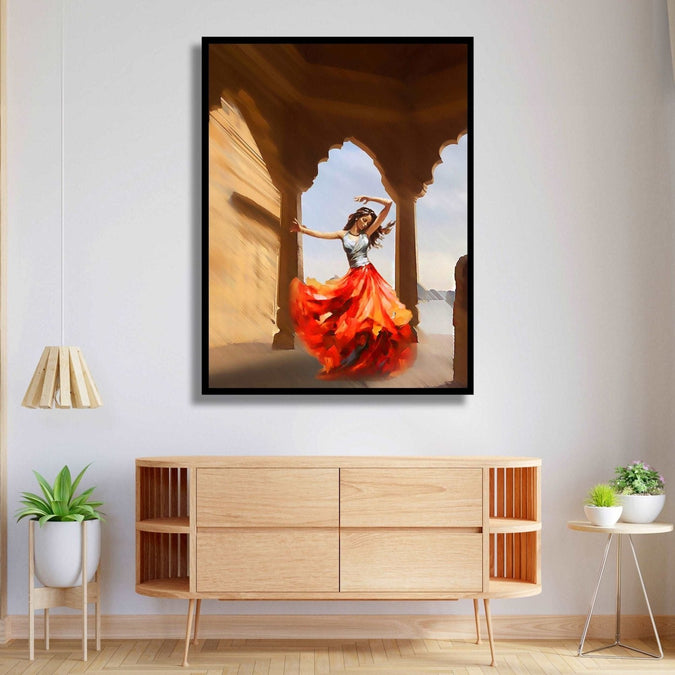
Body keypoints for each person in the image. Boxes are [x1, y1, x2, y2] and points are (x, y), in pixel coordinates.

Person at [290, 195, 416, 380]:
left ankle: (371, 355)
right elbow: (322, 235)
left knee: (372, 315)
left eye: (368, 222)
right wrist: (301, 229)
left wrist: (368, 198)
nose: (366, 224)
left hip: (369, 276)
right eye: (365, 220)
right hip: (353, 277)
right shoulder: (343, 235)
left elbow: (388, 205)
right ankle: (352, 353)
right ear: (358, 217)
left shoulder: (367, 234)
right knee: (348, 314)